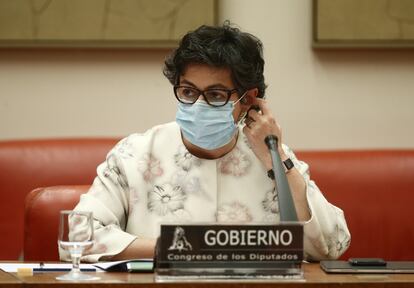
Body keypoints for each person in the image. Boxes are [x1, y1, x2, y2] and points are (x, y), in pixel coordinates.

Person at [59, 22, 350, 263]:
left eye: (215, 95)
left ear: (246, 100)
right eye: (187, 91)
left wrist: (276, 157)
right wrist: (180, 248)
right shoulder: (134, 154)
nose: (197, 104)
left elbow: (330, 245)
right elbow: (79, 236)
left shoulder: (272, 156)